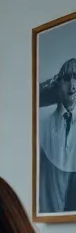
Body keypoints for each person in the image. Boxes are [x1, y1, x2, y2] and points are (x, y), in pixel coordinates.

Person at [38, 57, 76, 213]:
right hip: (50, 209)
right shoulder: (45, 122)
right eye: (67, 78)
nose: (72, 85)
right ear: (59, 83)